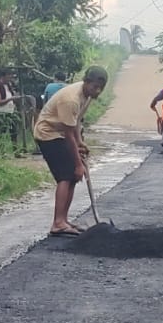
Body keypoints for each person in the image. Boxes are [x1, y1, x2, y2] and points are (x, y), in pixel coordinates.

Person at [34, 66, 109, 237]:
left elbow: (75, 122)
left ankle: (63, 220)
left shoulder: (86, 96)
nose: (97, 91)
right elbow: (68, 134)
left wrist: (80, 142)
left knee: (73, 177)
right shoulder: (71, 99)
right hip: (48, 134)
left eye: (101, 88)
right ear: (86, 82)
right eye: (95, 87)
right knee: (66, 175)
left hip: (60, 133)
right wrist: (78, 164)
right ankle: (58, 223)